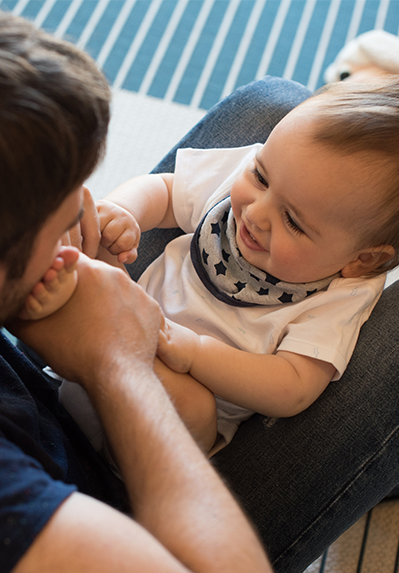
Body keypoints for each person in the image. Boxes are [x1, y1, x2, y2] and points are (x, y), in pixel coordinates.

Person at [0, 2, 397, 573]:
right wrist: (118, 362)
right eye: (63, 224)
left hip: (41, 384)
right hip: (151, 509)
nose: (83, 221)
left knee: (272, 106)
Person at [31, 79, 398, 455]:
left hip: (164, 428)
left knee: (191, 404)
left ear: (361, 259)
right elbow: (168, 190)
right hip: (120, 322)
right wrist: (124, 211)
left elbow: (294, 386)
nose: (254, 213)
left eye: (293, 222)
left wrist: (195, 353)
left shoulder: (342, 294)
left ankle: (73, 324)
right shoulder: (276, 177)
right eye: (260, 177)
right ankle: (57, 318)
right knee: (94, 246)